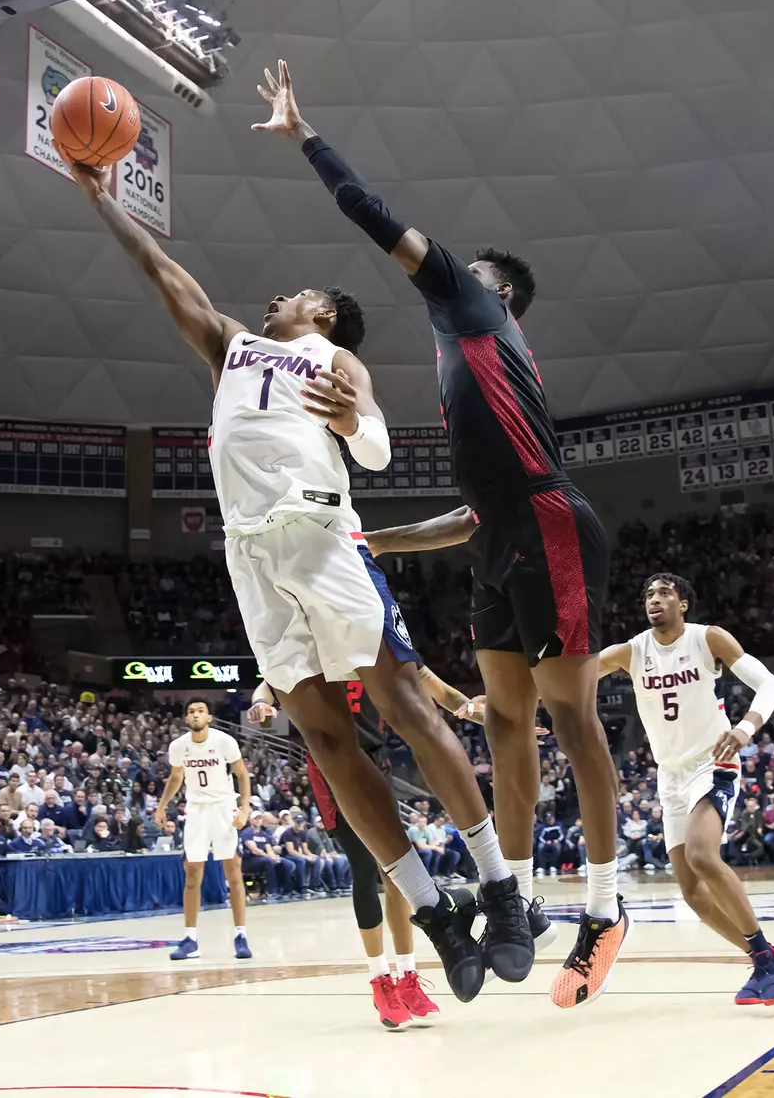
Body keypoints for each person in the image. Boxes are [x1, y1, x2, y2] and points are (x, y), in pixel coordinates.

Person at [62, 142, 526, 1003]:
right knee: (323, 737)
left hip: (322, 535)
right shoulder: (233, 349)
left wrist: (356, 421)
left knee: (408, 707)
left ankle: (499, 887)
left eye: (296, 294)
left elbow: (379, 450)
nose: (274, 298)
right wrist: (103, 200)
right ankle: (431, 913)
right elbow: (167, 274)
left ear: (323, 317)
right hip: (250, 554)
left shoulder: (336, 361)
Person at [252, 60, 625, 1007]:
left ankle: (607, 905)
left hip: (549, 521)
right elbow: (466, 516)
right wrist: (383, 543)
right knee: (506, 720)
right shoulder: (468, 351)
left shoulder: (473, 303)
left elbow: (373, 214)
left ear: (494, 287)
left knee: (571, 717)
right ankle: (521, 899)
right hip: (500, 534)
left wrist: (305, 138)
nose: (450, 262)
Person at [597, 574, 774, 1006]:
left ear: (683, 604)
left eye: (664, 593)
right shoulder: (632, 651)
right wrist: (501, 699)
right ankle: (762, 958)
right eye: (648, 594)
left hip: (713, 761)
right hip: (670, 775)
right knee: (692, 894)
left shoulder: (709, 639)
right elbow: (569, 679)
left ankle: (768, 959)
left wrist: (744, 729)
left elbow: (770, 686)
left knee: (702, 855)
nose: (654, 600)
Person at [247, 681, 446, 1028]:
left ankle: (408, 976)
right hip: (331, 767)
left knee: (396, 872)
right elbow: (267, 686)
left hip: (376, 761)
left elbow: (419, 680)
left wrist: (464, 706)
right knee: (365, 867)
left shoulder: (365, 647)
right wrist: (261, 703)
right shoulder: (312, 653)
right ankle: (380, 979)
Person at [154, 699, 252, 961]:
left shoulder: (224, 741)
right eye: (191, 712)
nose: (195, 715)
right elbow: (176, 778)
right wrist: (162, 807)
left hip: (223, 806)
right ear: (187, 719)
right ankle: (190, 939)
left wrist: (245, 809)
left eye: (200, 711)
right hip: (196, 809)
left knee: (233, 871)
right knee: (192, 872)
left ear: (209, 717)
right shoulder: (179, 746)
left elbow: (242, 774)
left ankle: (241, 935)